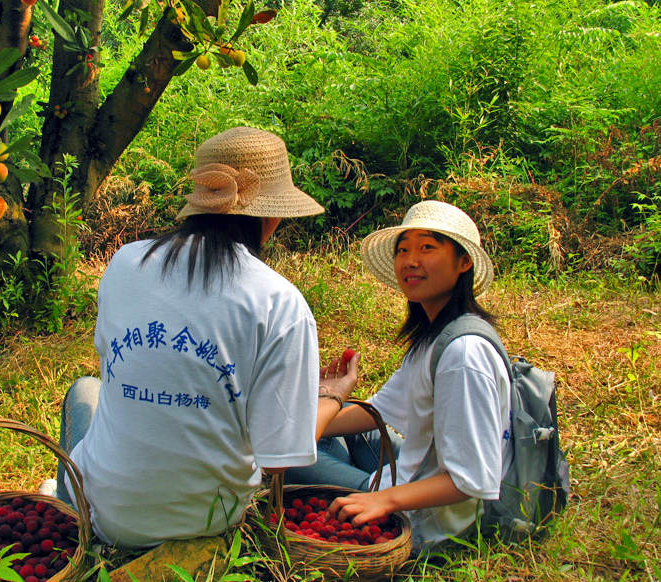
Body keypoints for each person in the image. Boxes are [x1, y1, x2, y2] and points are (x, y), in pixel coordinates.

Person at [51, 126, 335, 548]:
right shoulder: (281, 302)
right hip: (209, 519)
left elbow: (116, 367)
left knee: (85, 390)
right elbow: (279, 457)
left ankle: (62, 503)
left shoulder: (125, 263)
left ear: (198, 203)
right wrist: (335, 396)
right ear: (271, 216)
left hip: (105, 516)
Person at [285, 200, 511, 551]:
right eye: (403, 249)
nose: (410, 260)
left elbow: (473, 479)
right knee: (318, 433)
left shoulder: (463, 355)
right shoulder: (436, 338)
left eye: (427, 248)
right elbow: (377, 412)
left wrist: (384, 501)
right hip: (404, 473)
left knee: (292, 460)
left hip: (424, 515)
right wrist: (326, 402)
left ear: (463, 262)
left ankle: (350, 482)